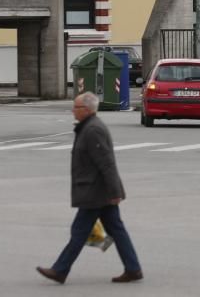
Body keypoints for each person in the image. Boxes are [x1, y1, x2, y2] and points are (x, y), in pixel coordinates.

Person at [37, 92, 143, 284]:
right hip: (98, 190)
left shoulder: (93, 130)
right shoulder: (88, 127)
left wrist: (115, 192)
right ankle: (133, 268)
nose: (72, 111)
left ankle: (60, 270)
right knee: (116, 229)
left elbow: (106, 163)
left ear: (86, 110)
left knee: (79, 231)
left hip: (95, 191)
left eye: (76, 108)